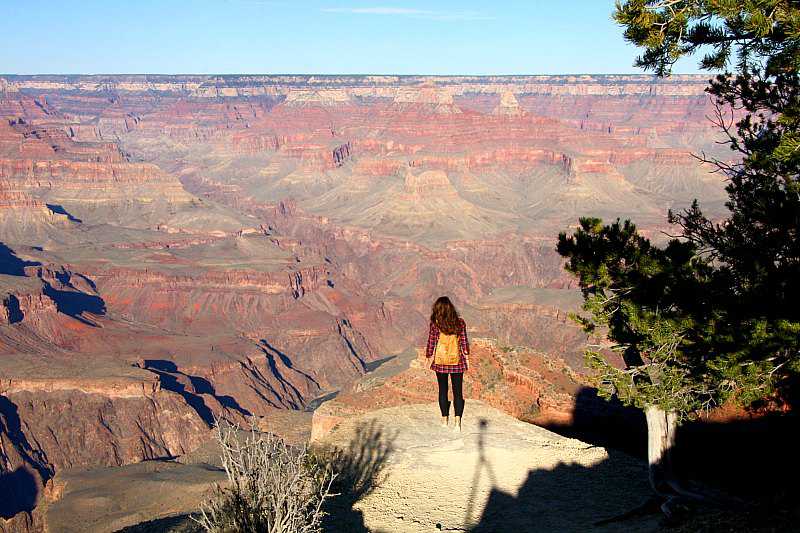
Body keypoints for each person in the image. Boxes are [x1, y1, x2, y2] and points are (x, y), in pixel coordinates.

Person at [425, 296, 470, 431]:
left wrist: (428, 356)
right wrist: (467, 357)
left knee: (443, 390)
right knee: (458, 393)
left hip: (440, 362)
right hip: (457, 361)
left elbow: (431, 341)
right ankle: (457, 423)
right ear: (451, 309)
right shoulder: (460, 323)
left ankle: (444, 420)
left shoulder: (435, 324)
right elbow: (463, 342)